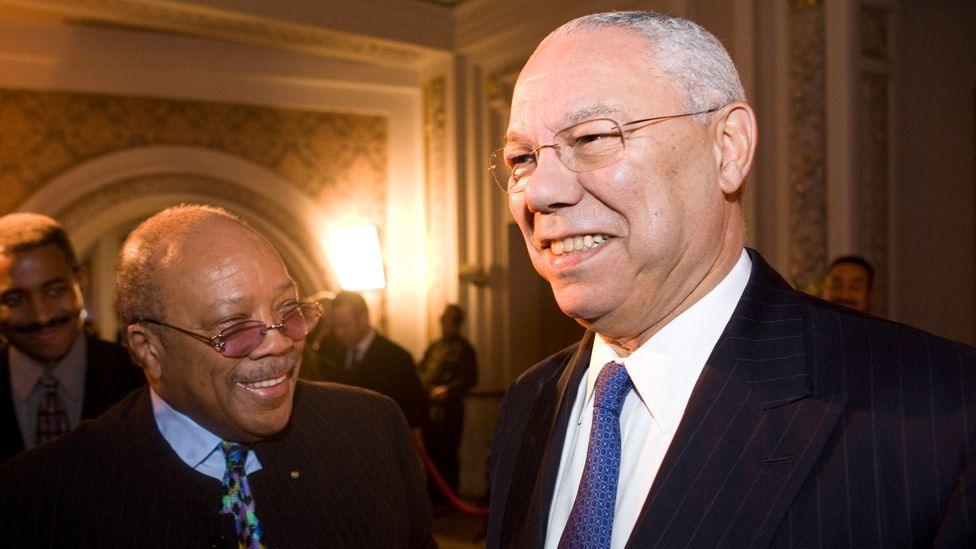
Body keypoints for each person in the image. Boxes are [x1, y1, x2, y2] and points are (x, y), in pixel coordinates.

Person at [486, 11, 975, 548]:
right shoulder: (529, 400)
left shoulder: (942, 412)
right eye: (522, 158)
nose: (538, 192)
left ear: (729, 148)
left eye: (593, 137)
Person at [0, 205, 433, 547]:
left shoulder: (371, 430)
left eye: (288, 311)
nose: (280, 343)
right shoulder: (40, 495)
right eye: (234, 328)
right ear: (148, 349)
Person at [0, 212, 143, 463]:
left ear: (80, 279)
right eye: (15, 299)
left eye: (55, 290)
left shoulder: (141, 378)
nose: (42, 316)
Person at [317, 290, 428, 429]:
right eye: (335, 326)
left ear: (364, 319)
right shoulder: (329, 350)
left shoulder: (397, 359)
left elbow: (415, 413)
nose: (338, 333)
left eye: (344, 325)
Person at [418, 304, 478, 497]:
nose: (441, 321)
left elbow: (470, 378)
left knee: (448, 452)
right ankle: (433, 497)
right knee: (431, 452)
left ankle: (448, 498)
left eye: (446, 317)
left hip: (449, 409)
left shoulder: (464, 348)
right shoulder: (435, 346)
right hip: (429, 407)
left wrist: (448, 390)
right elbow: (422, 370)